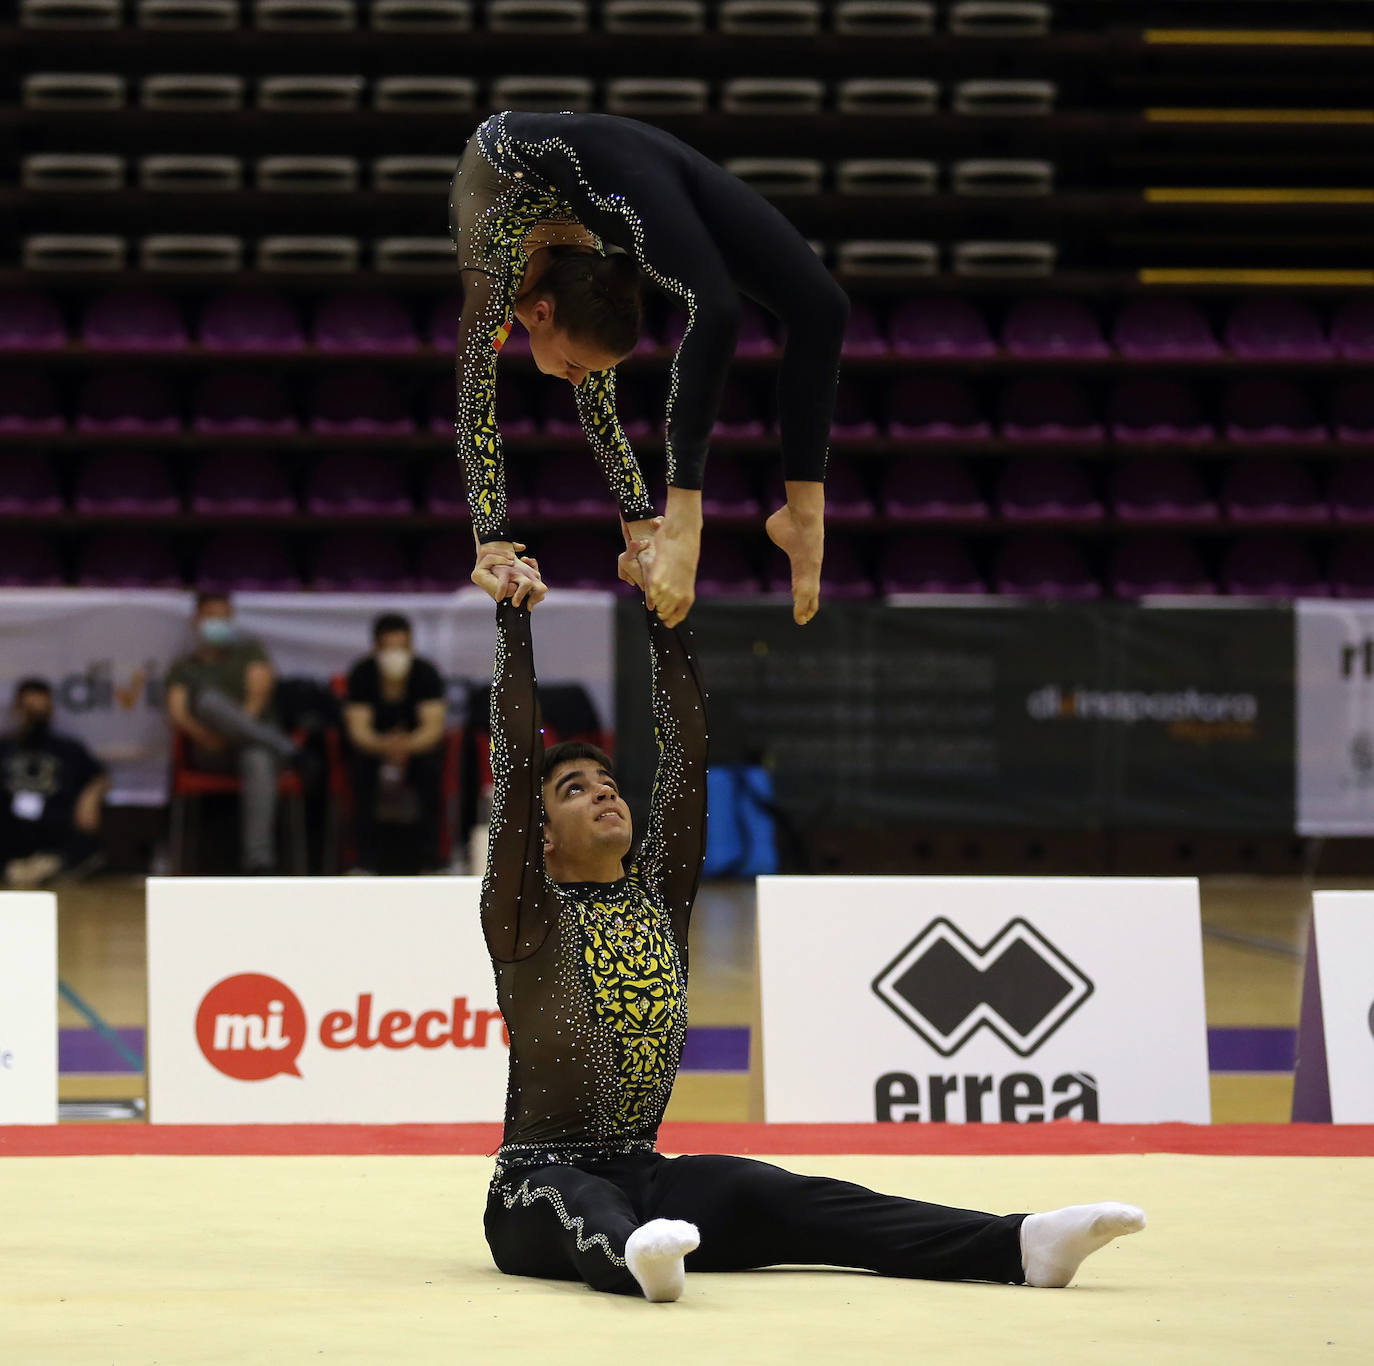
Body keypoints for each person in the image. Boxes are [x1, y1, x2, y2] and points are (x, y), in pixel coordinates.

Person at [472, 539, 1147, 1303]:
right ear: (543, 836)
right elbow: (517, 755)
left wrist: (663, 617)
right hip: (533, 1188)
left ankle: (1020, 1245)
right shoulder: (527, 917)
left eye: (606, 781)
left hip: (646, 1173)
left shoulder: (657, 897)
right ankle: (633, 1258)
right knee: (584, 1200)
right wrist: (513, 619)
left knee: (781, 1192)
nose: (603, 793)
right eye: (572, 789)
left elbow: (686, 752)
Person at [450, 110, 849, 628]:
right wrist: (494, 544)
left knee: (822, 306)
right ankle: (689, 520)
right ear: (543, 313)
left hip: (620, 158)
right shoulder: (493, 277)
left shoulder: (581, 281)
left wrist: (642, 533)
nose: (576, 378)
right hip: (538, 155)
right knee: (725, 306)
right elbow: (474, 410)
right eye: (576, 364)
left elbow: (601, 416)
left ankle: (803, 515)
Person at [165, 592, 296, 875]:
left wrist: (237, 728)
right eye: (211, 617)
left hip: (250, 744)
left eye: (224, 617)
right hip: (210, 749)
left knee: (258, 758)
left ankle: (258, 863)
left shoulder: (250, 652)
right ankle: (287, 747)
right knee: (208, 701)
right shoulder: (185, 667)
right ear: (196, 620)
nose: (218, 623)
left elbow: (258, 695)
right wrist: (206, 737)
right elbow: (178, 713)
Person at [343, 613, 448, 874]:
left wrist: (406, 746)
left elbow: (432, 728)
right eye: (389, 648)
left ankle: (430, 859)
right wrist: (384, 746)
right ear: (376, 648)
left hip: (416, 750)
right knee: (361, 771)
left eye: (401, 648)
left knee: (429, 771)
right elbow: (358, 730)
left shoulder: (426, 673)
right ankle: (364, 861)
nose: (395, 655)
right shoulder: (362, 674)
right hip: (373, 750)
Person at [0, 679, 108, 888]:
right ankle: (21, 868)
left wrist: (91, 796)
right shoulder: (4, 747)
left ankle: (43, 866)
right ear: (16, 709)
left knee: (87, 845)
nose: (36, 718)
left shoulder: (68, 748)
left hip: (54, 827)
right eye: (30, 710)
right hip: (11, 829)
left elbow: (99, 776)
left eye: (42, 711)